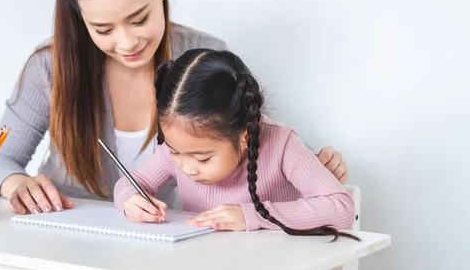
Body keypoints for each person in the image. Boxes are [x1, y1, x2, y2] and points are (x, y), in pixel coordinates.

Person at [0, 0, 349, 215]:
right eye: (103, 30)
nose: (126, 42)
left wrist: (313, 162)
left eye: (139, 19)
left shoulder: (202, 55)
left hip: (162, 241)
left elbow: (244, 138)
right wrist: (13, 181)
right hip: (64, 231)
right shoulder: (49, 66)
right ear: (80, 18)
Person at [115, 49, 358, 241]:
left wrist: (252, 216)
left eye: (202, 159)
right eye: (176, 152)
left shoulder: (281, 144)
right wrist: (130, 200)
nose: (187, 168)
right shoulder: (178, 150)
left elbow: (341, 207)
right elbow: (129, 183)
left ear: (244, 137)